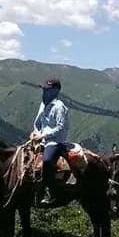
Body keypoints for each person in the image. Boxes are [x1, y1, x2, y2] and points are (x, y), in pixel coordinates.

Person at [32, 77, 71, 206]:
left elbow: (60, 127)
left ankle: (52, 192)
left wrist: (42, 136)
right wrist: (35, 132)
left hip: (55, 141)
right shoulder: (43, 105)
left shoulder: (59, 107)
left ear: (56, 91)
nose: (44, 92)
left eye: (47, 90)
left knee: (47, 161)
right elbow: (38, 123)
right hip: (41, 139)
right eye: (44, 90)